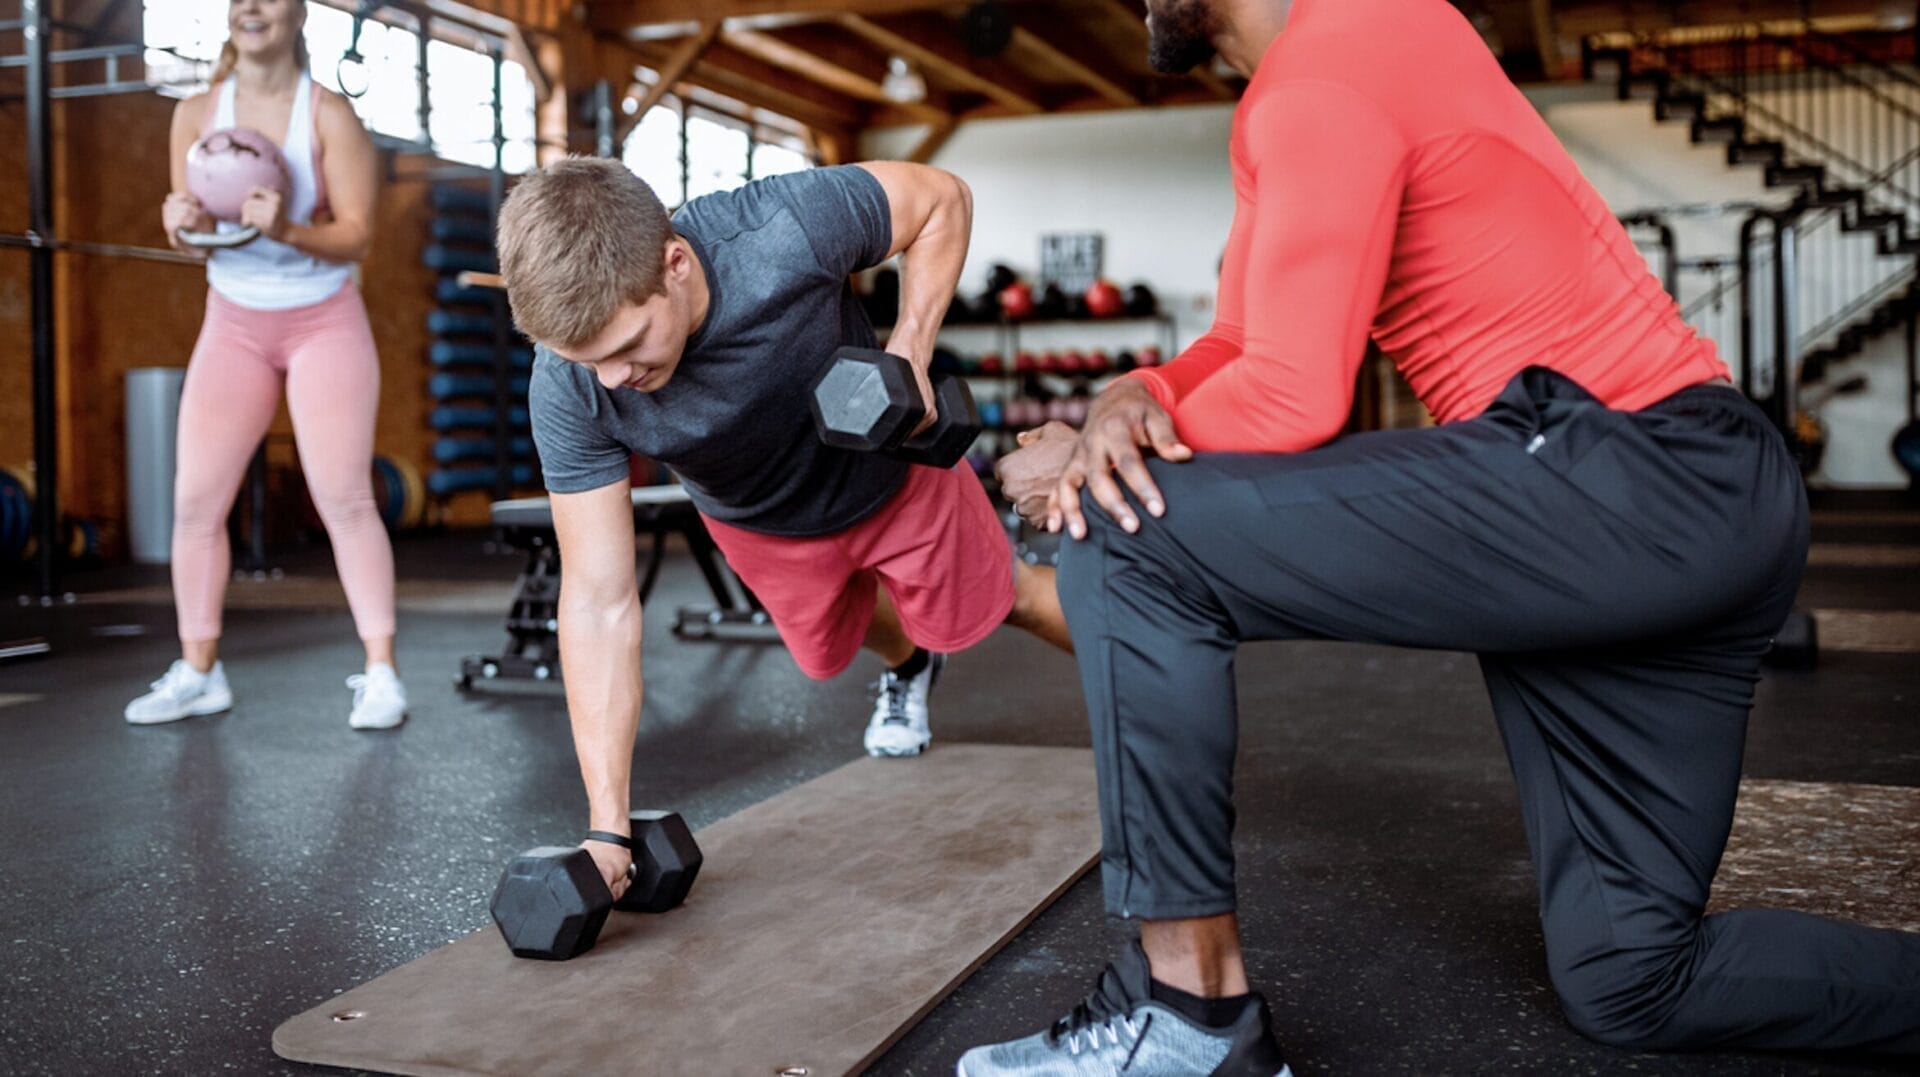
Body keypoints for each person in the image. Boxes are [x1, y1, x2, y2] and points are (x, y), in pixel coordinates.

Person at [968, 0, 1920, 1073]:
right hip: (1687, 503)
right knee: (1632, 979)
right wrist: (1126, 397)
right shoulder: (1338, 63)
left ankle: (1191, 1018)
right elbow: (1239, 337)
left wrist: (1090, 462)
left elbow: (1289, 395)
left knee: (1130, 531)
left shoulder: (1325, 65)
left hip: (1626, 474)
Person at [495, 157, 1072, 893]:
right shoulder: (569, 387)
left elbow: (943, 199)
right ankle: (910, 664)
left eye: (625, 345)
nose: (611, 380)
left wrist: (911, 347)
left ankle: (1156, 705)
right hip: (762, 523)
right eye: (587, 361)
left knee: (1008, 599)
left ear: (675, 264)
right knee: (845, 628)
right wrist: (608, 827)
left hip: (894, 474)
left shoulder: (782, 227)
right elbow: (600, 602)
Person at [126, 0, 406, 730]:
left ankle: (381, 673)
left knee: (344, 496)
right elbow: (199, 233)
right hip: (235, 320)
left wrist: (283, 226)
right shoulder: (194, 113)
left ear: (296, 13)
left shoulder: (327, 116)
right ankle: (198, 670)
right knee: (194, 501)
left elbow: (357, 237)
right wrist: (181, 229)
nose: (252, 6)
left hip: (322, 318)